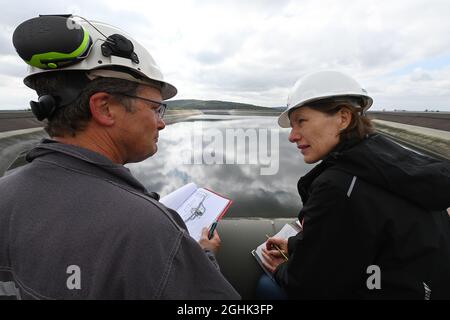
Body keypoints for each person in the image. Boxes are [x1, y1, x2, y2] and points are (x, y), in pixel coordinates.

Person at [0, 15, 239, 300]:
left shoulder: (5, 193)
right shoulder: (149, 228)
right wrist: (205, 257)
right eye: (155, 108)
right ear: (105, 108)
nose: (161, 123)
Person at [260, 70, 450, 299]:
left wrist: (280, 270)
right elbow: (357, 234)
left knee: (266, 286)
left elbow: (309, 285)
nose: (292, 136)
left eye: (301, 121)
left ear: (343, 118)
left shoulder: (337, 186)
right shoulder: (385, 159)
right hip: (423, 286)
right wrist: (294, 244)